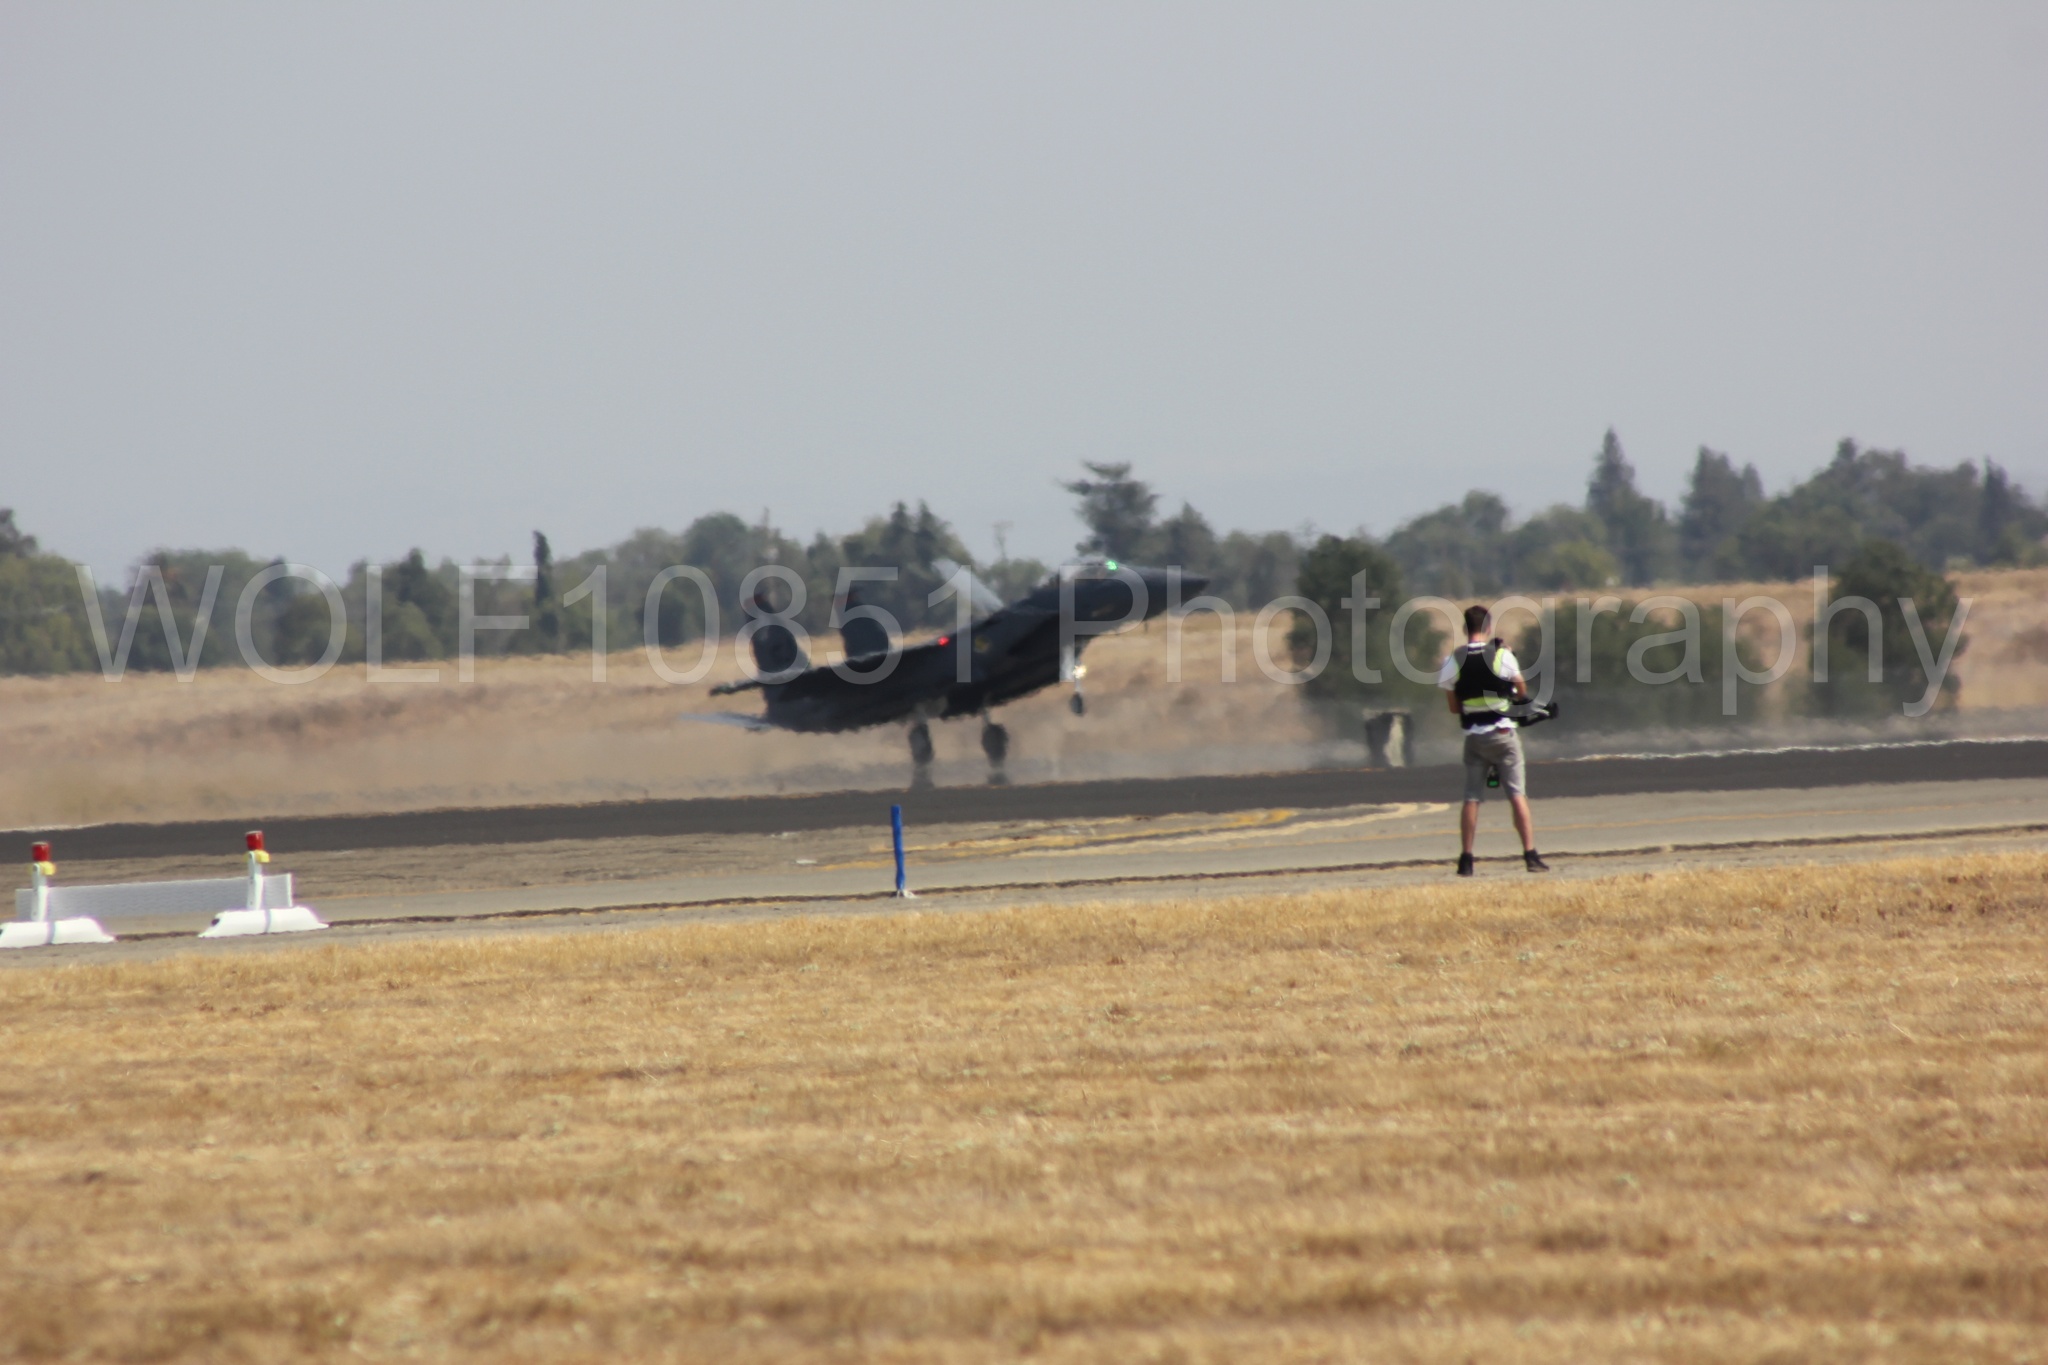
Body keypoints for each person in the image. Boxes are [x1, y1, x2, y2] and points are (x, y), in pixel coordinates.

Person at [1438, 604, 1549, 875]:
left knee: (1472, 797)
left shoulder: (1453, 660)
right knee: (1517, 794)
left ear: (1466, 629)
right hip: (1502, 733)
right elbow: (1521, 691)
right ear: (1488, 628)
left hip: (1474, 737)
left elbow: (1454, 707)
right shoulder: (1501, 656)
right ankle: (1530, 855)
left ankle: (1466, 860)